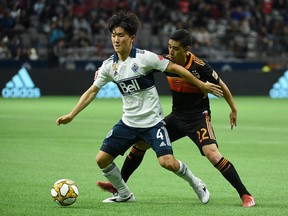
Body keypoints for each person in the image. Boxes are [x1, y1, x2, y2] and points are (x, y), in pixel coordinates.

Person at [56, 12, 223, 203]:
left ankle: (196, 183)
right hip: (128, 123)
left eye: (121, 35)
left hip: (153, 123)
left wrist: (201, 85)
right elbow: (92, 91)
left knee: (167, 163)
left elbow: (176, 68)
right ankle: (124, 194)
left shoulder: (145, 58)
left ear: (132, 38)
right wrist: (72, 114)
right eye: (113, 35)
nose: (116, 39)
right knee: (101, 159)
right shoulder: (109, 66)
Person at [96, 29, 255, 207]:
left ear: (187, 49)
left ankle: (245, 195)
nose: (171, 52)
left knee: (213, 155)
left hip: (198, 118)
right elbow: (139, 66)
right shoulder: (166, 62)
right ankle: (119, 186)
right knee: (140, 144)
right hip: (176, 117)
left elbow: (221, 85)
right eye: (169, 47)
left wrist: (233, 108)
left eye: (175, 49)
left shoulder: (200, 66)